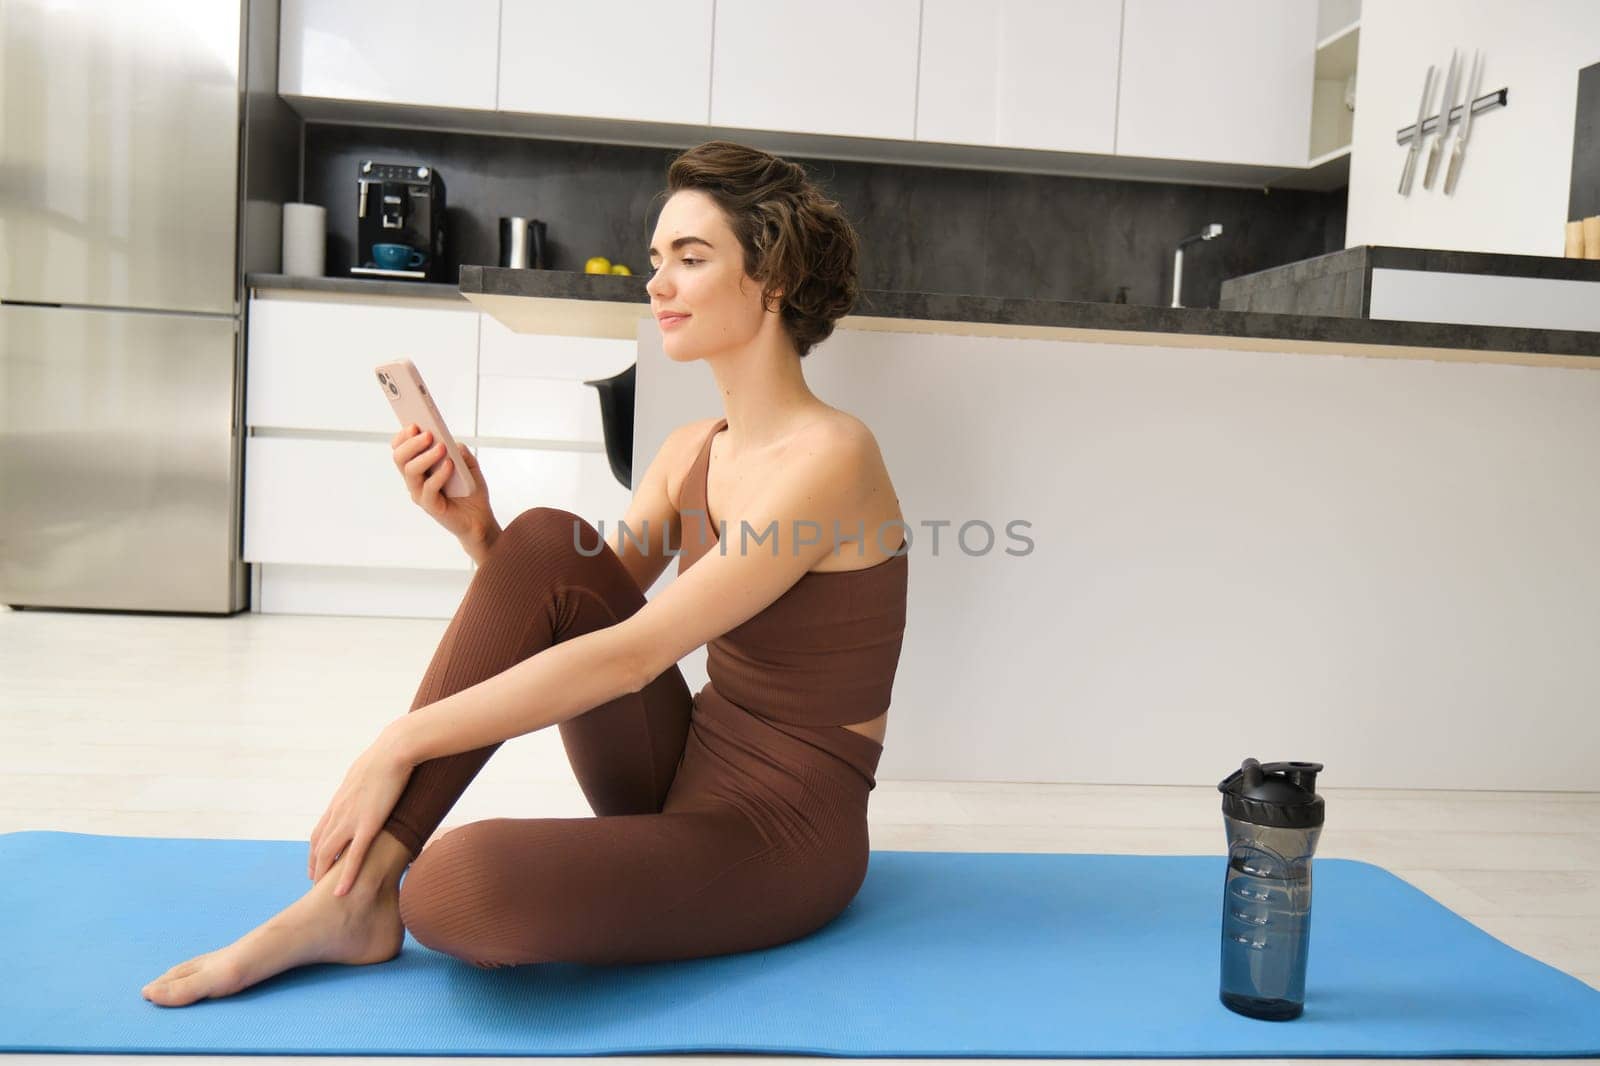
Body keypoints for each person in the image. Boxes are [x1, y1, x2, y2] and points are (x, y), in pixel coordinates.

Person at [139, 140, 910, 1007]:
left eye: (690, 260)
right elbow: (570, 606)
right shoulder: (689, 449)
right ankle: (350, 901)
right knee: (545, 540)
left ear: (770, 278)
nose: (656, 283)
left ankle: (382, 892)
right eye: (657, 260)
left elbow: (631, 659)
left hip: (784, 831)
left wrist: (398, 741)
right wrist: (481, 533)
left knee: (460, 890)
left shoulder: (833, 456)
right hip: (682, 762)